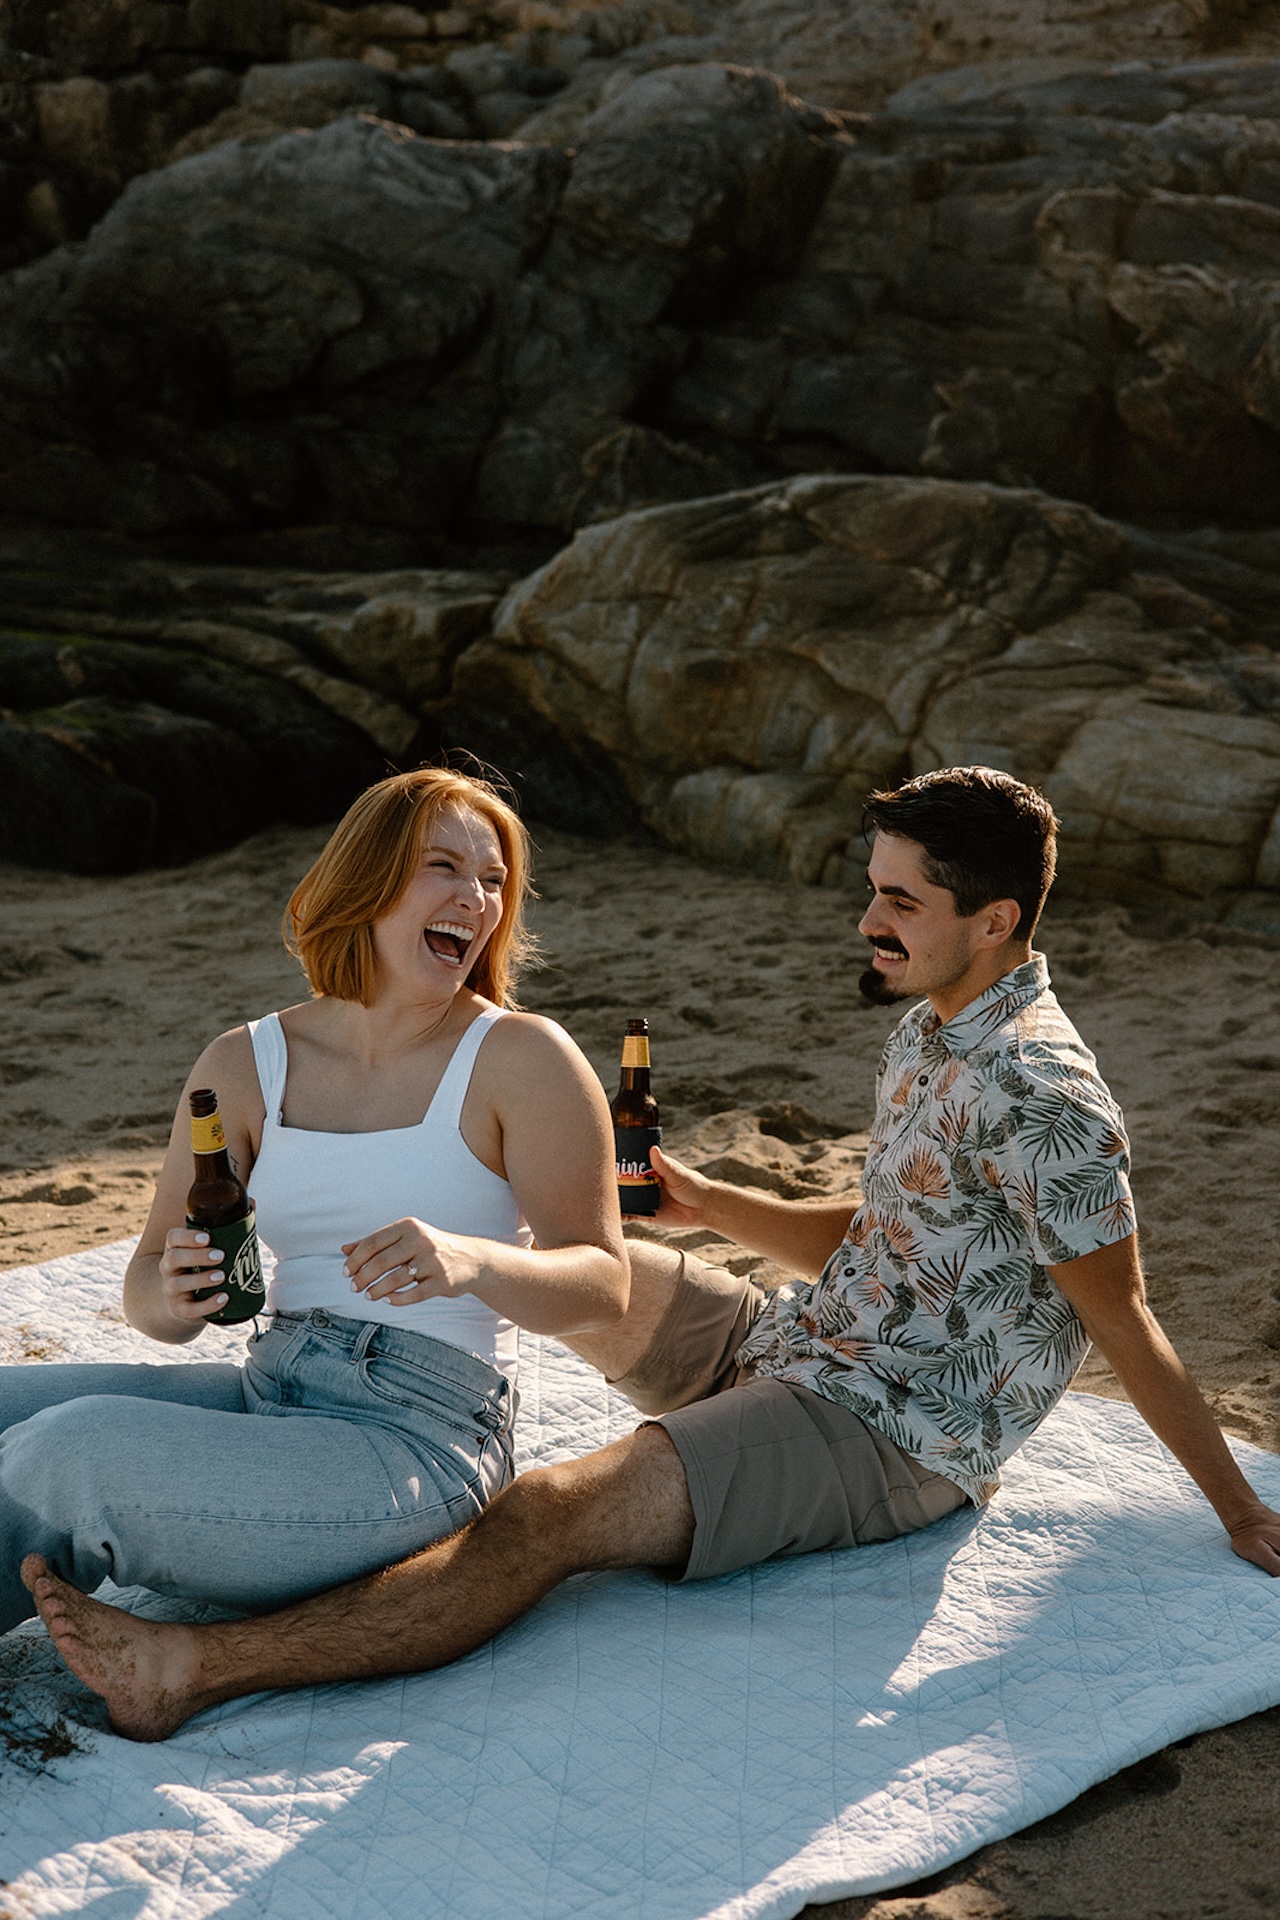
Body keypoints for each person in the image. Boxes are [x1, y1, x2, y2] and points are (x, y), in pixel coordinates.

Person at [21, 765, 1280, 1742]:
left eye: (898, 899)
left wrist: (1237, 1507)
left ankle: (194, 1666)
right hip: (804, 1333)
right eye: (873, 887)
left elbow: (1121, 1317)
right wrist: (703, 1199)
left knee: (548, 1511)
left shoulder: (1044, 1093)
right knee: (608, 1272)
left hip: (895, 1421)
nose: (865, 918)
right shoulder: (936, 1030)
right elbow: (890, 1235)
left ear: (993, 919)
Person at [2, 765, 627, 1641]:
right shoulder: (244, 1062)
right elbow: (148, 1286)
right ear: (367, 879)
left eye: (493, 881)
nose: (476, 900)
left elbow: (603, 1281)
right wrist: (176, 1297)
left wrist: (476, 1262)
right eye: (443, 867)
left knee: (67, 1457)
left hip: (422, 1435)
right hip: (275, 1385)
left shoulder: (522, 1059)